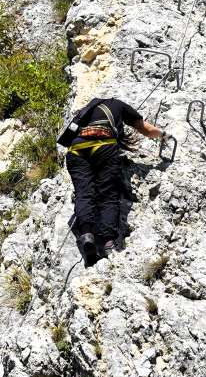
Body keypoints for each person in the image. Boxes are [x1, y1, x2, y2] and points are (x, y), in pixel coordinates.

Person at [57, 96, 165, 266]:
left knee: (83, 193)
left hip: (76, 149)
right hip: (104, 144)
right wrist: (164, 135)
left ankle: (87, 235)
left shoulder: (85, 111)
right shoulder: (118, 105)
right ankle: (108, 242)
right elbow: (146, 129)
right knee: (108, 194)